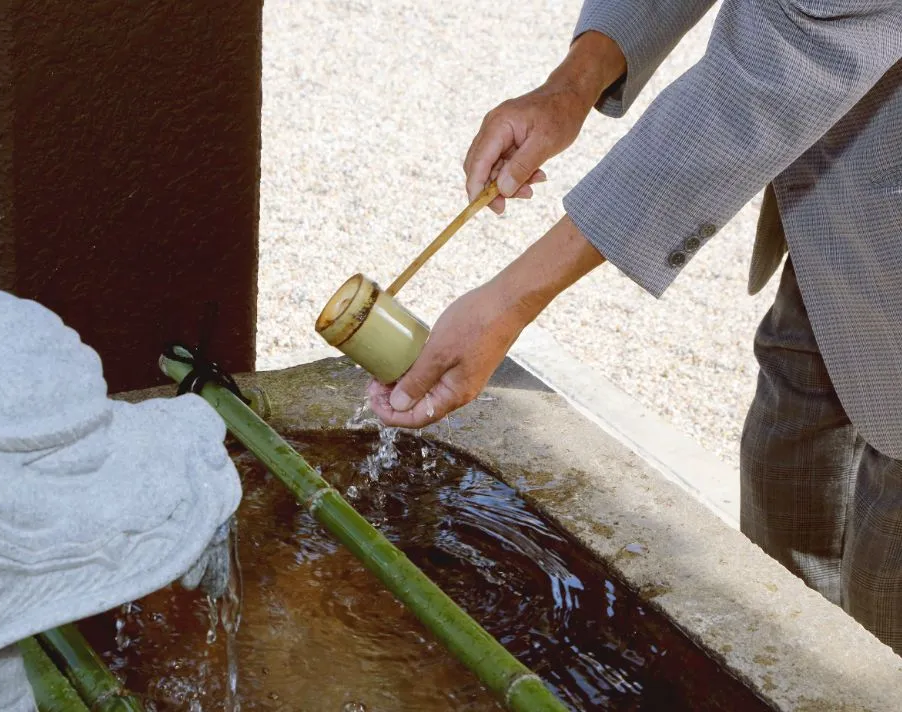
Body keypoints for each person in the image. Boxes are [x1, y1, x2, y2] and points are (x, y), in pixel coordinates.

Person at [368, 1, 902, 653]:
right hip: (850, 199)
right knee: (787, 452)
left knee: (885, 600)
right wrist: (571, 84)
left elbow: (776, 69)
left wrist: (510, 301)